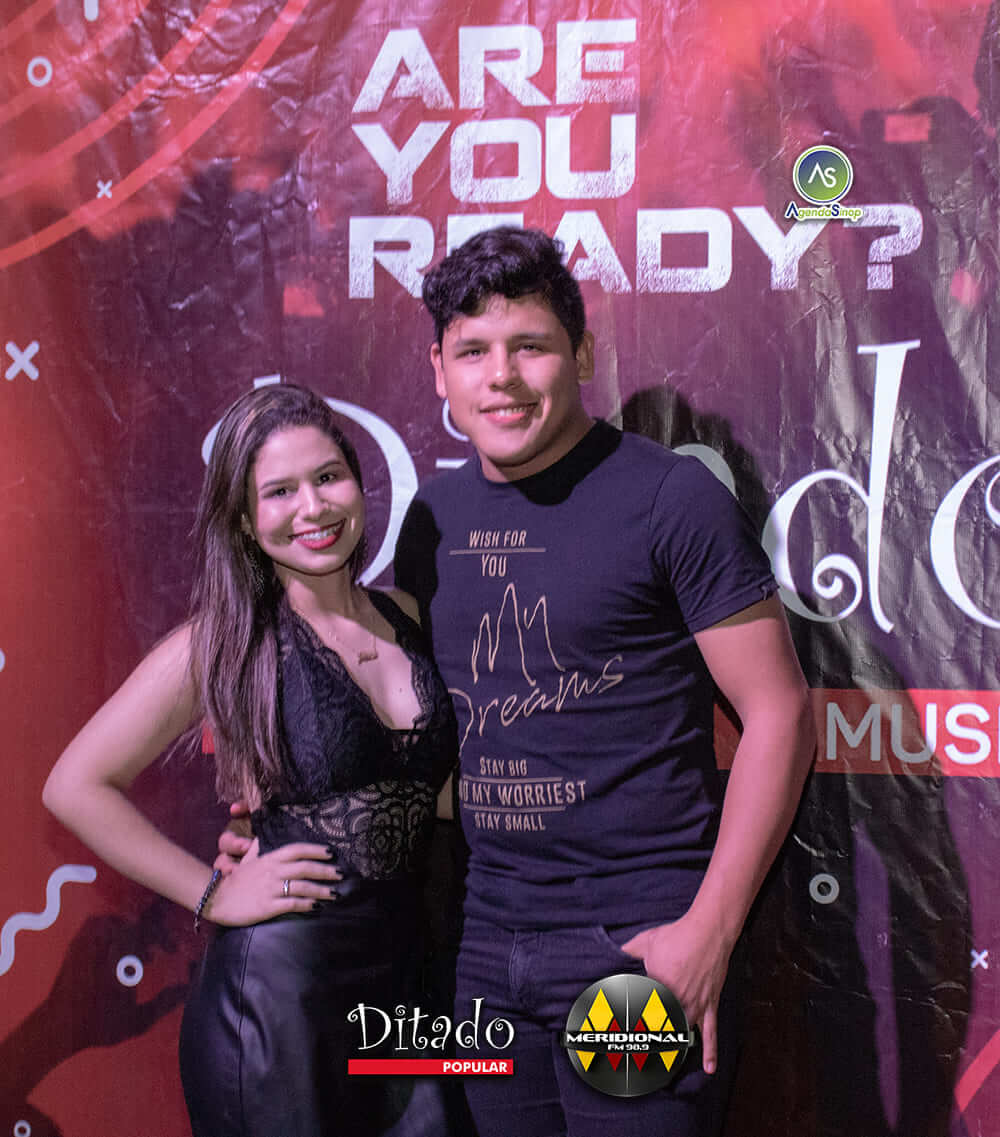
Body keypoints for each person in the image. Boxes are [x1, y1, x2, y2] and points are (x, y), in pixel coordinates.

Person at [390, 226, 817, 1137]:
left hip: (637, 945)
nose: (502, 377)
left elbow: (779, 712)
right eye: (473, 351)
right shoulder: (432, 519)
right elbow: (402, 725)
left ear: (581, 354)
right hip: (483, 952)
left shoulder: (670, 499)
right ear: (439, 370)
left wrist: (707, 930)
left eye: (530, 346)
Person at [43, 383, 458, 1137]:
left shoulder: (410, 617)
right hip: (278, 1004)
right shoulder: (226, 643)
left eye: (328, 477)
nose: (313, 508)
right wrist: (211, 895)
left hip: (407, 992)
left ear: (359, 481)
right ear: (243, 518)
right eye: (279, 491)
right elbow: (75, 785)